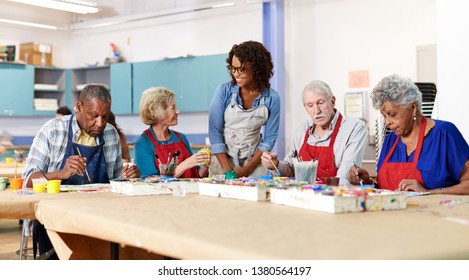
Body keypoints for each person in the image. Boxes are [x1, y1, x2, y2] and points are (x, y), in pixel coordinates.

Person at [23, 84, 140, 258]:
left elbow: (116, 182)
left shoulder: (110, 134)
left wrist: (129, 177)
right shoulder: (52, 130)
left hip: (99, 218)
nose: (100, 123)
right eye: (94, 116)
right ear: (79, 107)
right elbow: (28, 182)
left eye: (104, 116)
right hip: (56, 221)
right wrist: (60, 174)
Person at [349, 74, 469, 194]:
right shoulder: (390, 140)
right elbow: (385, 190)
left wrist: (429, 193)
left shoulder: (444, 134)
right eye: (384, 116)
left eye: (392, 114)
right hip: (393, 212)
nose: (387, 122)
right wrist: (366, 182)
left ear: (413, 107)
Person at [261, 80, 367, 185]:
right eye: (310, 105)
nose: (316, 111)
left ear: (332, 101)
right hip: (302, 197)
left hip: (334, 197)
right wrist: (275, 164)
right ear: (306, 108)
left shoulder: (354, 128)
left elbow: (344, 179)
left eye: (320, 103)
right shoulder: (302, 130)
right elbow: (291, 170)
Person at [208, 40, 280, 178]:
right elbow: (215, 133)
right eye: (233, 68)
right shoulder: (224, 91)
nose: (236, 74)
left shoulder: (272, 98)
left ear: (257, 68)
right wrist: (228, 171)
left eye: (241, 69)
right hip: (222, 160)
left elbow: (269, 139)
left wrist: (247, 170)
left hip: (254, 161)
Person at [134, 87, 209, 179]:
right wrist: (185, 165)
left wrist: (205, 165)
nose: (178, 111)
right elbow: (151, 182)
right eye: (173, 108)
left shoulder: (181, 137)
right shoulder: (143, 143)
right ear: (157, 112)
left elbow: (197, 175)